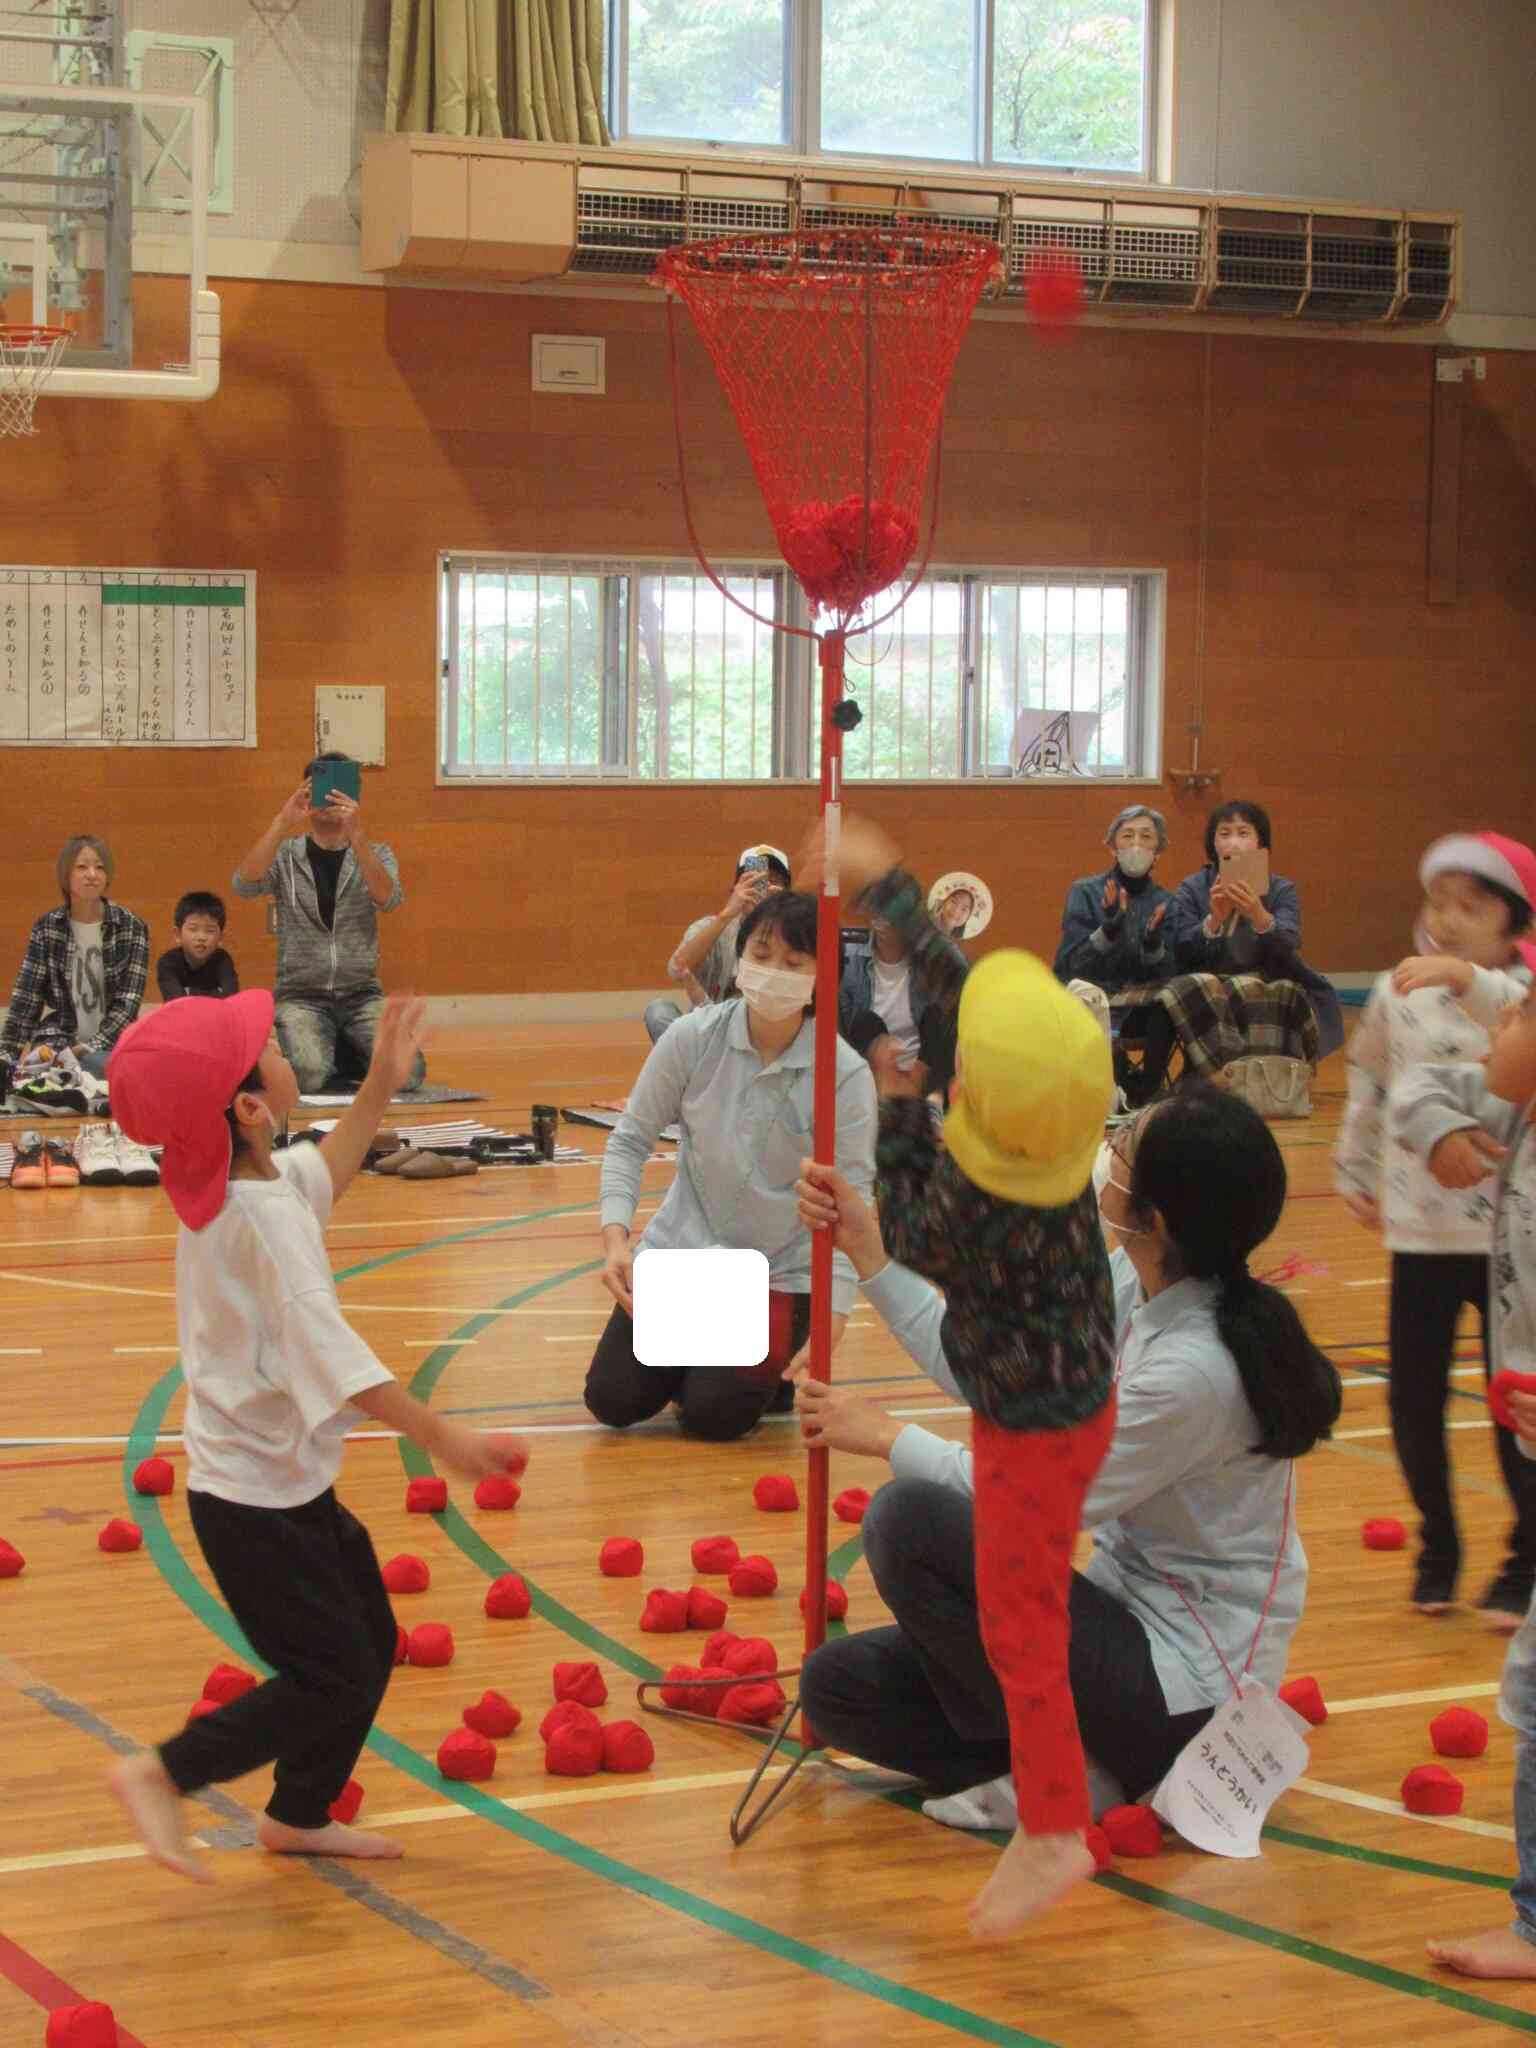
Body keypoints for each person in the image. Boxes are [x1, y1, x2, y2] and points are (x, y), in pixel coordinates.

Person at [794, 1085, 1340, 1847]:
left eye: (1122, 1150)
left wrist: (889, 1436)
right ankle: (1078, 1762)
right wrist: (871, 1253)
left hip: (1182, 1687)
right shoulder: (1132, 1283)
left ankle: (1064, 1767)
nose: (1106, 1155)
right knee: (835, 1689)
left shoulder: (1196, 1372)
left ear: (1157, 1216)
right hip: (1116, 1628)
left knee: (908, 1518)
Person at [102, 990, 526, 1884]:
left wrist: (377, 1084)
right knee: (329, 1672)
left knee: (366, 1646)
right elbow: (340, 1362)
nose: (287, 1048)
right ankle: (162, 1773)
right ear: (252, 1108)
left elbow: (326, 1167)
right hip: (251, 1504)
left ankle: (298, 1815)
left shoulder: (248, 1180)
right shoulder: (260, 1225)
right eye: (271, 1048)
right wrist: (441, 1434)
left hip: (279, 1484)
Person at [800, 811, 1118, 1938]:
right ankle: (1050, 1814)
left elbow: (914, 1230)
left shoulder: (988, 1205)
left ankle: (1052, 1825)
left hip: (1034, 1427)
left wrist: (893, 1101)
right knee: (1012, 1609)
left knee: (1018, 1625)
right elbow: (956, 985)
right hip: (1063, 1399)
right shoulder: (1055, 1137)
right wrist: (882, 876)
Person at [588, 888, 875, 1443]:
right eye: (762, 955)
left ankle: (760, 1364)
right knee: (613, 1401)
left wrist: (832, 1318)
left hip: (776, 1276)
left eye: (794, 963)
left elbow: (853, 1206)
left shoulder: (843, 1075)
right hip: (685, 1258)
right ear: (740, 959)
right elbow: (629, 1141)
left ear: (822, 977)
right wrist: (616, 1241)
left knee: (714, 1417)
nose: (774, 972)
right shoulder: (691, 1039)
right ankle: (719, 1357)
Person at [1335, 831, 1536, 1623]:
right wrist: (1353, 1165)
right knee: (1412, 1406)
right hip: (1420, 1236)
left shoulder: (1521, 995)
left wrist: (1472, 978)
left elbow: (1507, 1012)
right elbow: (1372, 1078)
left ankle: (1525, 1561)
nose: (1448, 921)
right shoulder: (1394, 989)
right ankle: (1440, 1547)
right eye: (1439, 903)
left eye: (1471, 907)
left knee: (1514, 1407)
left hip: (1506, 1250)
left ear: (1513, 924)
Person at [1385, 985, 1536, 1980]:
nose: (1501, 1031)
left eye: (1521, 1019)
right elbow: (1424, 1087)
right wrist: (1442, 1122)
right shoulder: (1521, 1111)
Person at [230, 752, 423, 1096]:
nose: (330, 798)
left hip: (361, 994)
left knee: (409, 1074)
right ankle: (339, 1049)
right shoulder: (287, 855)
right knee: (307, 1076)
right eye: (320, 788)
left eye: (340, 789)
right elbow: (244, 884)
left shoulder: (377, 852)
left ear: (354, 795)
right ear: (307, 794)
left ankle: (346, 1047)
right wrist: (282, 821)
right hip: (302, 996)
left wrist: (357, 833)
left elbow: (387, 899)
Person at [1128, 800, 1342, 1095]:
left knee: (1251, 990)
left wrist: (1259, 915)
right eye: (1225, 833)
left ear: (1260, 842)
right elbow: (1181, 949)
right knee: (1180, 990)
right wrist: (1213, 920)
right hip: (1207, 980)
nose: (1234, 842)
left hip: (1266, 978)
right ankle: (1153, 1088)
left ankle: (1245, 1080)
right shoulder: (1193, 887)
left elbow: (1290, 942)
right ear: (1213, 842)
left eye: (1244, 833)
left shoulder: (1281, 889)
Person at [0, 834, 149, 1095]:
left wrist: (88, 1048)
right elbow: (27, 997)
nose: (92, 874)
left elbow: (128, 1004)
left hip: (111, 1043)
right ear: (65, 876)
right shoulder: (48, 927)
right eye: (82, 866)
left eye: (100, 867)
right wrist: (5, 1056)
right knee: (31, 1074)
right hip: (58, 1039)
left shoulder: (132, 927)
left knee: (99, 1066)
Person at [1054, 805, 1176, 1107]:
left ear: (1157, 850)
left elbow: (1169, 971)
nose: (1136, 844)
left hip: (1142, 1007)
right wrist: (1109, 930)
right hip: (1093, 1003)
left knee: (1173, 997)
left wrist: (1152, 943)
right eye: (1127, 835)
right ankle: (1119, 1084)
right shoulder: (1084, 891)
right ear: (1112, 847)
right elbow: (1070, 966)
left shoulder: (1167, 901)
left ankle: (1149, 1089)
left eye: (1146, 837)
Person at [644, 845, 791, 1045]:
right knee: (659, 1011)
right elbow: (677, 969)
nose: (761, 889)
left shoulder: (794, 933)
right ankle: (695, 1070)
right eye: (753, 881)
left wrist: (779, 917)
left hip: (766, 1032)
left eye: (772, 881)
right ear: (735, 888)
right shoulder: (712, 927)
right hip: (709, 1031)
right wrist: (727, 913)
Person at [839, 902, 968, 1100]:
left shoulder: (932, 959)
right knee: (864, 1021)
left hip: (925, 1072)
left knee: (938, 1018)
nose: (884, 916)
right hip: (868, 1070)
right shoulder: (851, 958)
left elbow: (959, 986)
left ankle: (924, 1095)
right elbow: (848, 1027)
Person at [156, 891, 240, 1002]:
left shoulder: (223, 960)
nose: (201, 937)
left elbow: (232, 1000)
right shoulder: (167, 963)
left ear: (220, 937)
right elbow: (178, 1005)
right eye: (193, 929)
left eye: (210, 930)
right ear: (177, 934)